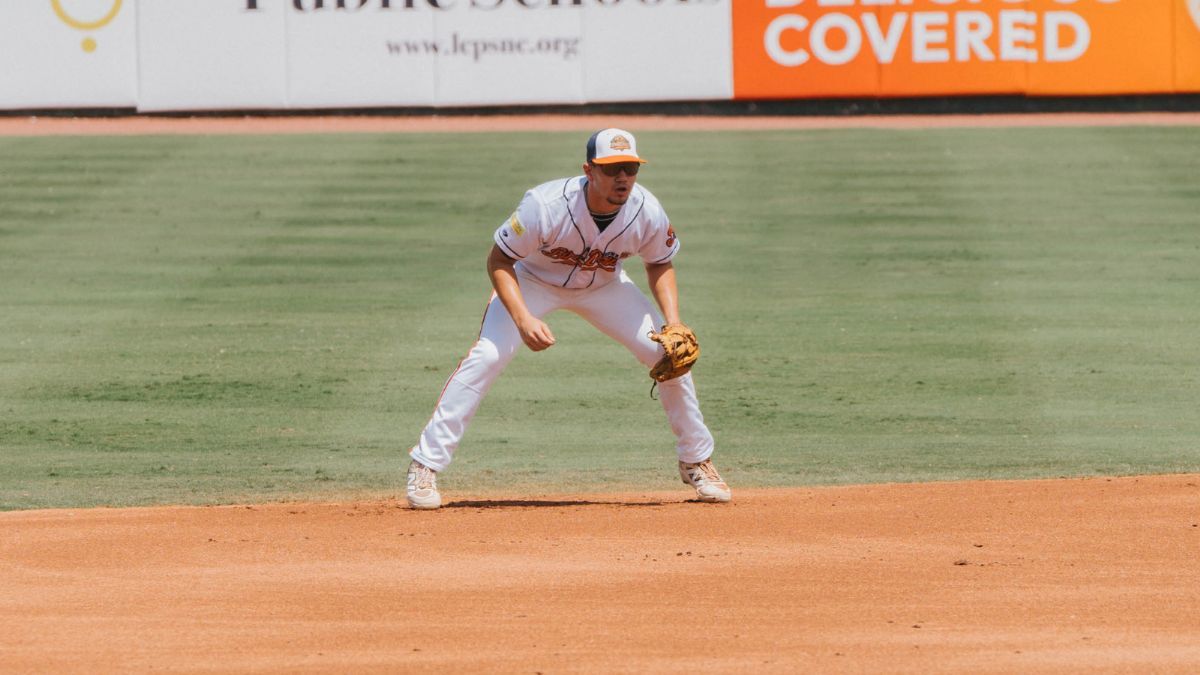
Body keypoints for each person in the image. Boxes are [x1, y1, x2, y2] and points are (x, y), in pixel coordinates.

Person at [405, 128, 730, 509]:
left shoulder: (647, 210)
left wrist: (673, 321)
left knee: (671, 357)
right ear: (589, 170)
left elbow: (660, 262)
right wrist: (523, 318)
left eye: (630, 168)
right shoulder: (544, 205)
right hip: (532, 283)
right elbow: (499, 260)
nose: (623, 177)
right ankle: (425, 464)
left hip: (605, 287)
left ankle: (696, 460)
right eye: (612, 169)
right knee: (488, 356)